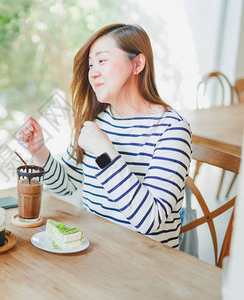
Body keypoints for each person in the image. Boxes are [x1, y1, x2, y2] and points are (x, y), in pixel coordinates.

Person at [18, 24, 192, 248]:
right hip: (95, 255)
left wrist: (104, 152)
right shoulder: (96, 121)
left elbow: (150, 220)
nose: (93, 72)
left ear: (137, 63)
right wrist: (39, 151)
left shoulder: (172, 130)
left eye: (102, 61)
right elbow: (67, 186)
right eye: (91, 65)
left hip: (147, 269)